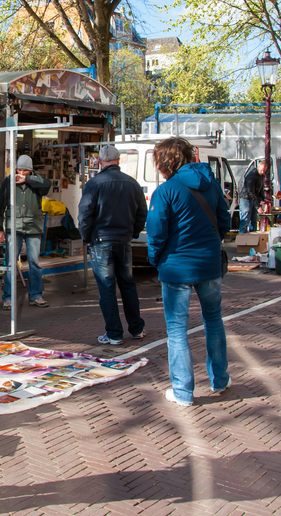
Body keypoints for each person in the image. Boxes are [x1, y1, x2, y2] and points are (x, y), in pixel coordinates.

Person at [146, 137, 231, 407]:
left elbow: (156, 232)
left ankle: (183, 391)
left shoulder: (166, 191)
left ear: (163, 162)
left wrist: (155, 259)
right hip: (209, 264)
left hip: (176, 267)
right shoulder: (212, 184)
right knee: (214, 321)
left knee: (177, 330)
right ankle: (220, 379)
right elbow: (224, 221)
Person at [78, 144, 148, 345]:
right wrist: (133, 232)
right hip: (123, 240)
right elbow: (142, 212)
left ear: (99, 161)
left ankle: (114, 333)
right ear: (118, 161)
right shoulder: (132, 183)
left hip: (101, 241)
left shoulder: (94, 183)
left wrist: (86, 237)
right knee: (128, 286)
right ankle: (137, 328)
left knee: (107, 289)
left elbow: (85, 214)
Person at [0, 154, 51, 309]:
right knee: (11, 263)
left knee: (34, 263)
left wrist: (27, 180)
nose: (21, 173)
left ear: (30, 171)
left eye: (25, 171)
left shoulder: (38, 181)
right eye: (19, 169)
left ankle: (36, 295)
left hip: (33, 227)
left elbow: (47, 186)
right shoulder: (7, 182)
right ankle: (8, 298)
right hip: (14, 226)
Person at [239, 160, 267, 234]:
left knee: (253, 219)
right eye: (261, 170)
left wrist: (264, 198)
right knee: (245, 218)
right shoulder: (251, 176)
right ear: (258, 167)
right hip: (246, 198)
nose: (263, 172)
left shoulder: (261, 176)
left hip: (254, 197)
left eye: (264, 170)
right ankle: (242, 237)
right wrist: (258, 206)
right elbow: (250, 191)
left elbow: (260, 188)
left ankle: (253, 236)